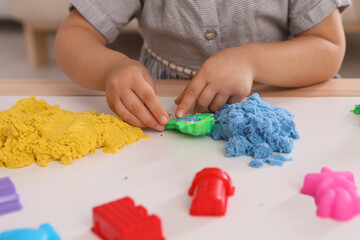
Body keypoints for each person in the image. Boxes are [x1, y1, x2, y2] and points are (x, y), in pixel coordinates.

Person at [55, 0, 351, 131]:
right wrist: (112, 69)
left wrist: (252, 62)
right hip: (164, 105)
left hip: (276, 94)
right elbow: (74, 36)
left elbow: (328, 48)